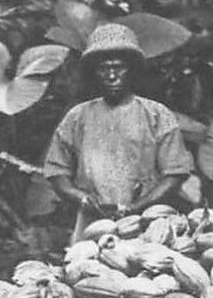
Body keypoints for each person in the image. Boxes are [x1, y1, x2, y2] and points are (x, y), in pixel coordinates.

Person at [44, 22, 195, 241]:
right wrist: (82, 198)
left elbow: (175, 172)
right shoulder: (78, 117)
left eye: (119, 67)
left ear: (131, 70)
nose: (112, 75)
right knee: (87, 272)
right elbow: (57, 171)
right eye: (104, 69)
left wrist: (139, 206)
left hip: (147, 223)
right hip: (92, 224)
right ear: (94, 73)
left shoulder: (156, 115)